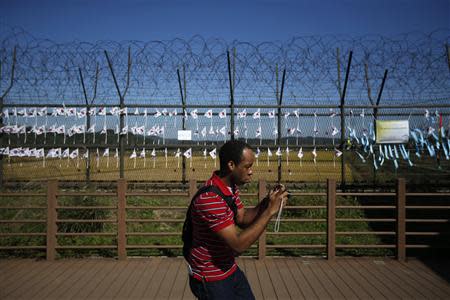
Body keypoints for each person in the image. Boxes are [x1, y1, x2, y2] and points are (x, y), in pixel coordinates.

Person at [186, 140, 289, 300]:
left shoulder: (228, 187)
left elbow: (242, 218)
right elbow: (238, 245)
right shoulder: (210, 198)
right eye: (247, 166)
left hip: (228, 268)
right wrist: (269, 212)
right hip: (211, 278)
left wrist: (267, 203)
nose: (251, 172)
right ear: (231, 165)